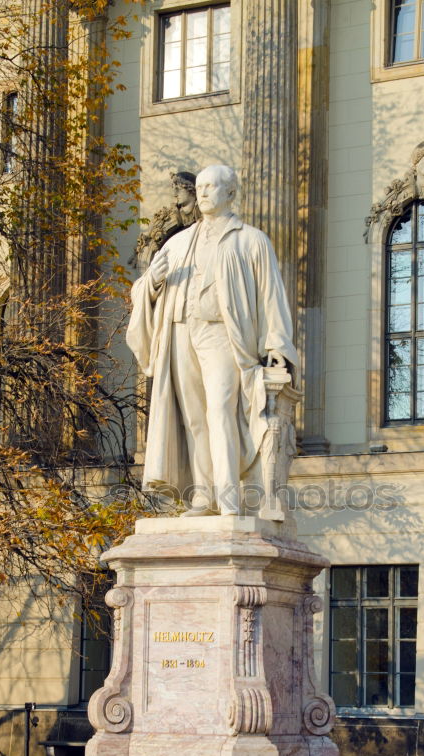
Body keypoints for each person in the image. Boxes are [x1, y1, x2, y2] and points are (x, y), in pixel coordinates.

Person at [127, 164, 298, 515]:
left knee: (220, 409)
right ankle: (204, 497)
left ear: (231, 193)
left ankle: (229, 498)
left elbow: (272, 296)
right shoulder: (177, 243)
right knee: (194, 417)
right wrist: (152, 282)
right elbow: (141, 292)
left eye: (212, 186)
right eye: (201, 187)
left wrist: (277, 345)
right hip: (180, 332)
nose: (203, 193)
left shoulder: (250, 239)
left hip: (223, 334)